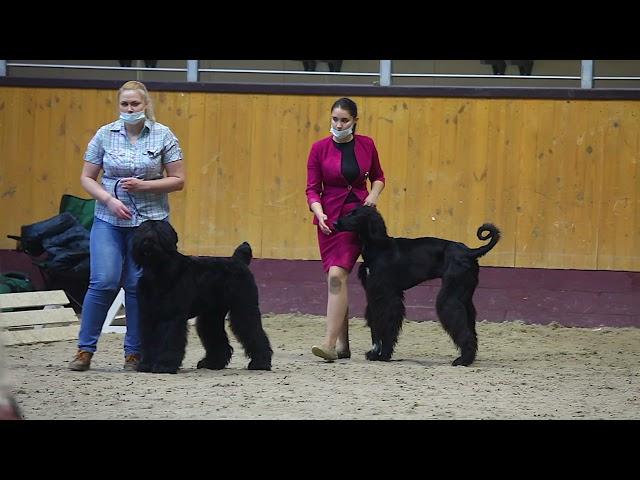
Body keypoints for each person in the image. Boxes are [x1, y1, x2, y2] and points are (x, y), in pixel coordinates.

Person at [68, 80, 185, 372]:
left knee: (137, 285)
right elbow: (86, 178)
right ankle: (85, 350)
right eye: (125, 104)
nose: (130, 109)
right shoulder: (104, 135)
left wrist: (145, 186)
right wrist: (108, 200)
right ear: (119, 105)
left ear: (146, 105)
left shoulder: (163, 135)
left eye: (135, 104)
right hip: (109, 220)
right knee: (103, 281)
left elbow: (178, 180)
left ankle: (134, 353)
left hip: (149, 224)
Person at [305, 97, 385, 361]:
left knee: (337, 275)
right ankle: (343, 346)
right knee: (334, 277)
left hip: (356, 219)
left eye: (344, 120)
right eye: (335, 119)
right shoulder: (318, 149)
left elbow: (379, 177)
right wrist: (318, 210)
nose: (338, 125)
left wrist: (373, 195)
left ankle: (328, 344)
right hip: (328, 219)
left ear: (354, 122)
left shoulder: (367, 145)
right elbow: (312, 189)